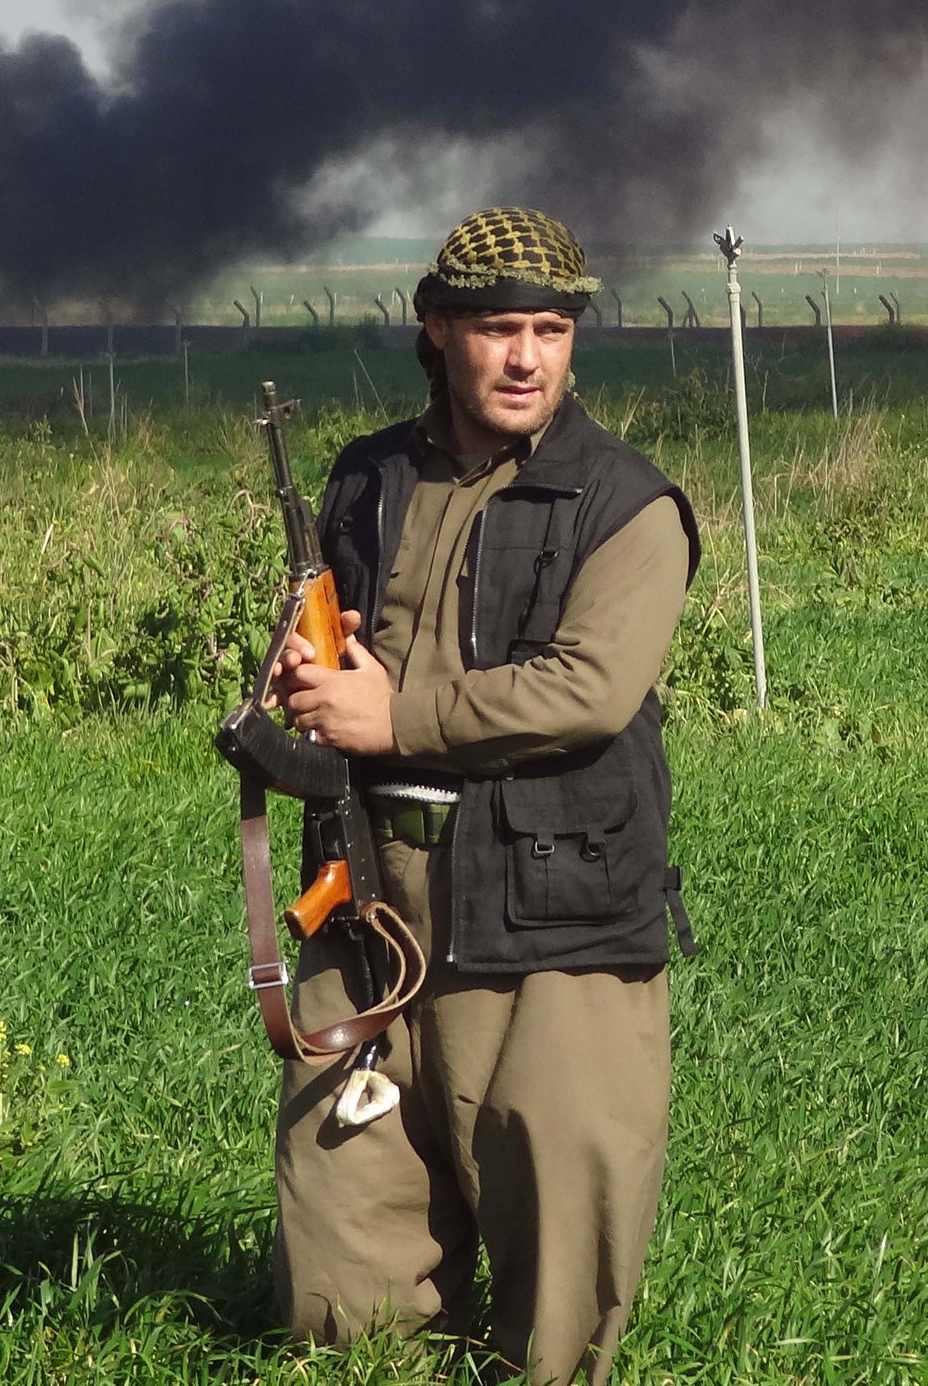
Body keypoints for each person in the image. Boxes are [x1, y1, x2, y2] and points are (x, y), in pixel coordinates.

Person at [269, 206, 700, 1383]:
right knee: (338, 1284)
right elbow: (341, 647)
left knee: (557, 1268)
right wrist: (305, 678)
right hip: (368, 906)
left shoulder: (628, 502)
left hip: (551, 908)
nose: (525, 358)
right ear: (435, 328)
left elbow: (588, 691)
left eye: (550, 329)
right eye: (497, 328)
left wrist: (394, 716)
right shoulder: (366, 476)